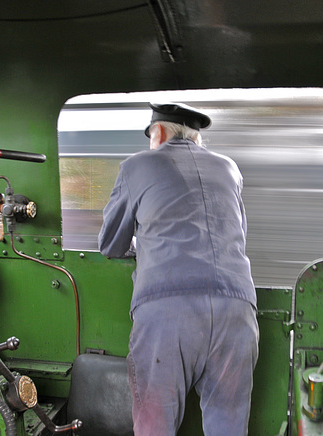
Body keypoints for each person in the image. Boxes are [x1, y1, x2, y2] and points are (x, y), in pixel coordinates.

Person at [98, 102, 259, 436]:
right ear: (196, 138)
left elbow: (110, 243)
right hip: (238, 311)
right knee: (228, 426)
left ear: (158, 133)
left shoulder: (136, 166)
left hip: (167, 314)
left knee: (155, 425)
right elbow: (237, 233)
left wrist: (142, 244)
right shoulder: (229, 168)